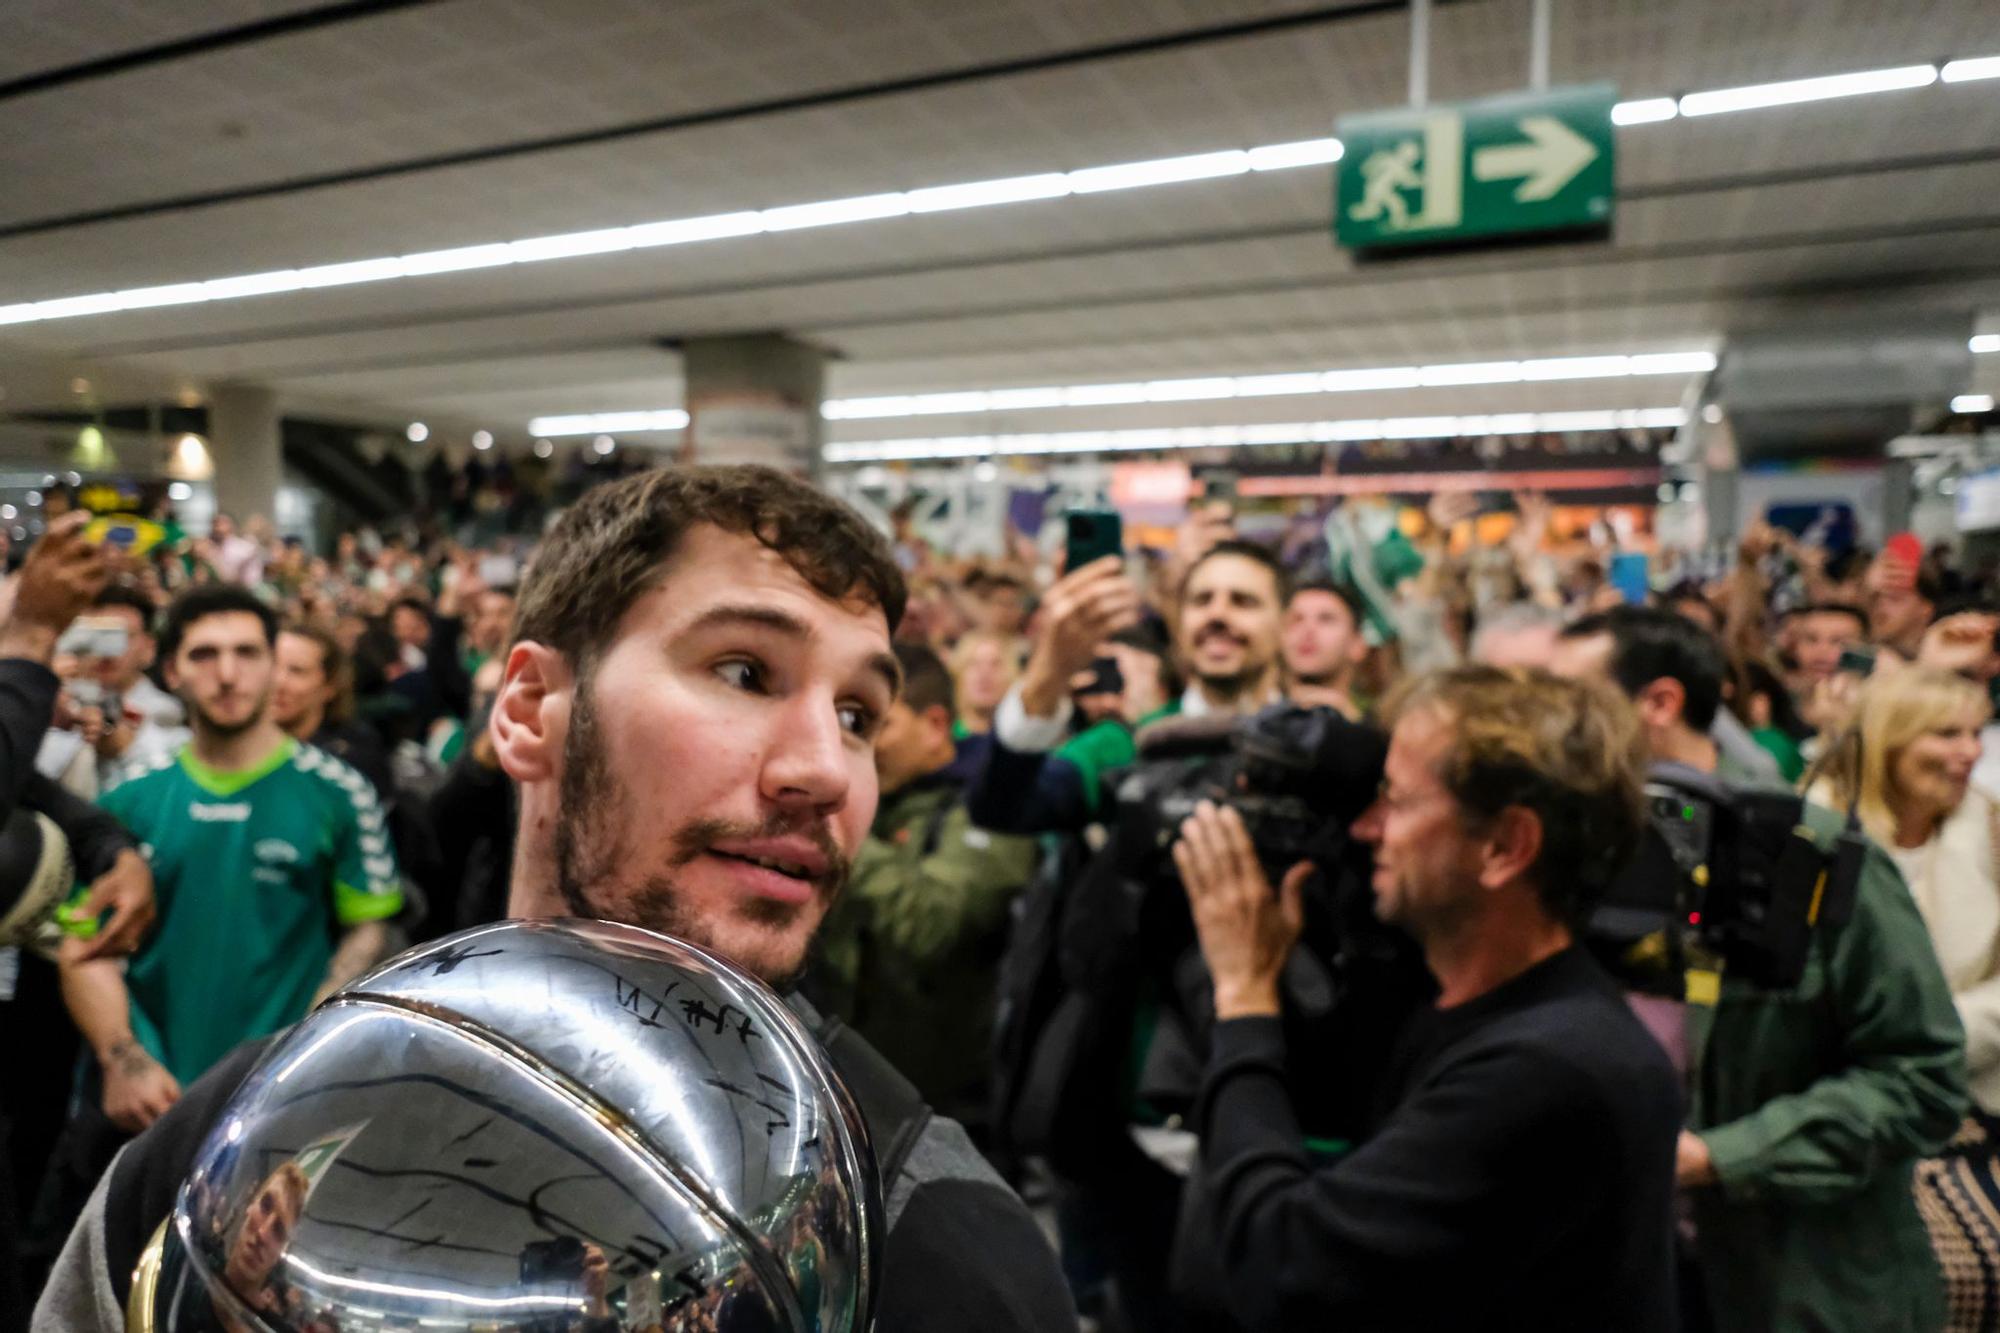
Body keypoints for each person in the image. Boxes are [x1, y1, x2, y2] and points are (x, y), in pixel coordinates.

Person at [36, 465, 1073, 1333]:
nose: (825, 768)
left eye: (857, 711)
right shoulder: (238, 1130)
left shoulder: (941, 1240)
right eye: (746, 670)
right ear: (530, 709)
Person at [1173, 666, 1680, 1330]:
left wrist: (1243, 996)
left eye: (1397, 799)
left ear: (1504, 845)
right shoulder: (1479, 1004)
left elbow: (1283, 1268)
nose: (1367, 828)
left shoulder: (1552, 1069)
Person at [1551, 605, 1966, 1333]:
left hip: (1795, 1286)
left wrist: (1718, 1156)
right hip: (1625, 1278)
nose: (1543, 730)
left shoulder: (1806, 858)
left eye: (1568, 704)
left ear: (1658, 704)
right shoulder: (1566, 861)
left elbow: (1922, 1076)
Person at [41, 584, 404, 1242]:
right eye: (204, 654)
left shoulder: (337, 791)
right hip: (142, 1114)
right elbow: (81, 944)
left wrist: (308, 1048)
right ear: (172, 669)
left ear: (273, 662)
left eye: (247, 651)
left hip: (276, 1115)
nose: (228, 672)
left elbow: (368, 925)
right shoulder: (129, 795)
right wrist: (123, 1059)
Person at [811, 642, 1040, 1135]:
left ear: (935, 725)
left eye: (879, 725)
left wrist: (837, 833)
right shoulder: (879, 802)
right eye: (851, 725)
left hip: (942, 1115)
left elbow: (938, 925)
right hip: (840, 1091)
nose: (860, 745)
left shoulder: (989, 810)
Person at [270, 623, 392, 799]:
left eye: (297, 671)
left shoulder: (354, 762)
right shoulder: (240, 748)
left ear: (330, 686)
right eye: (272, 666)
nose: (278, 682)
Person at [1279, 579, 1369, 717]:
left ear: (1358, 644)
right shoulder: (1246, 723)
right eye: (1296, 619)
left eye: (1326, 619)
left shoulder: (1386, 730)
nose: (1307, 630)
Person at [947, 629, 1019, 738]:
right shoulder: (943, 739)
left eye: (995, 664)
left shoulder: (1023, 743)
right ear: (958, 674)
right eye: (974, 664)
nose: (984, 674)